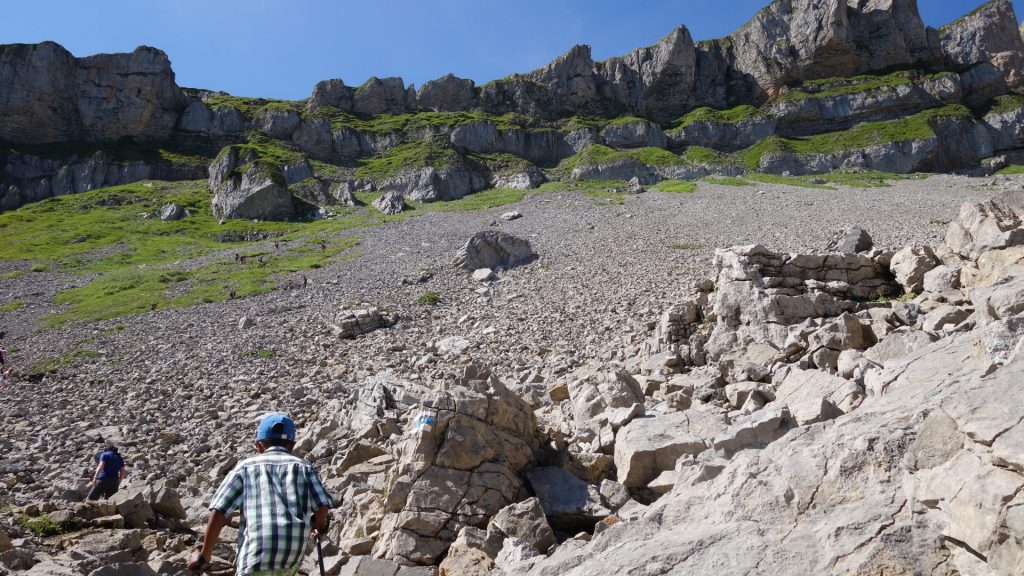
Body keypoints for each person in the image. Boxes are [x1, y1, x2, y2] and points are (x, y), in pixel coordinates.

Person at [189, 414, 333, 575]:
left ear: (258, 446)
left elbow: (219, 510)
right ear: (292, 446)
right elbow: (322, 505)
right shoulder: (305, 468)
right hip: (291, 555)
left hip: (256, 555)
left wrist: (204, 556)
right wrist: (320, 526)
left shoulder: (245, 468)